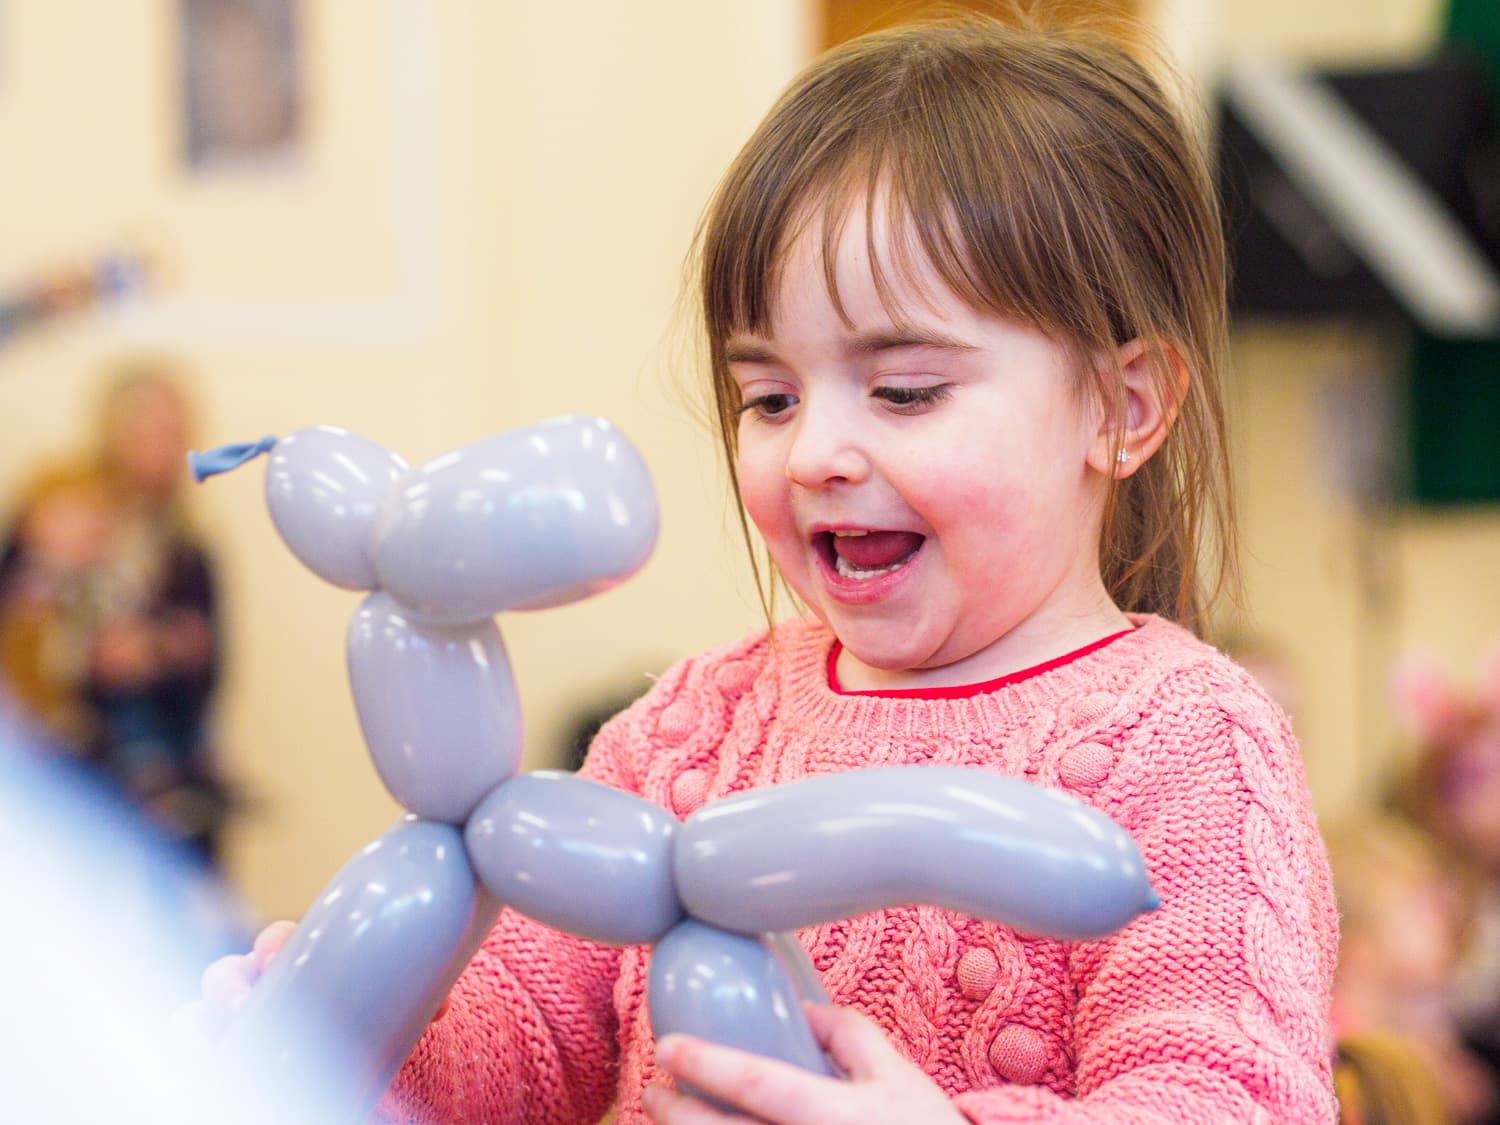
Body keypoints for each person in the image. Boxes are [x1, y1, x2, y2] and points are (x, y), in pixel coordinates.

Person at [214, 13, 1339, 1122]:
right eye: (769, 398)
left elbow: (1230, 1099)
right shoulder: (694, 726)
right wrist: (372, 1025)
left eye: (904, 391)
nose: (815, 455)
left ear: (1122, 405)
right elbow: (529, 1043)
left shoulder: (1190, 746)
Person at [0, 359, 228, 862]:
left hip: (155, 754)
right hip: (60, 767)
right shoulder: (55, 511)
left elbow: (209, 675)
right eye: (149, 430)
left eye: (175, 434)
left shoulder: (189, 558)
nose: (163, 449)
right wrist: (88, 659)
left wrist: (159, 654)